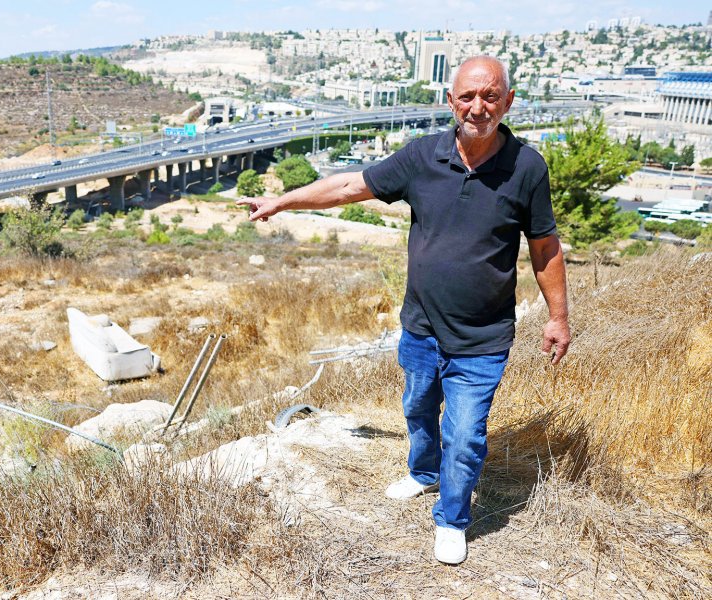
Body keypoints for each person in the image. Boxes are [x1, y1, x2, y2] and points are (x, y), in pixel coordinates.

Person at [237, 55, 570, 565]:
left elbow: (543, 245)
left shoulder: (527, 167)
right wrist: (284, 202)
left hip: (482, 339)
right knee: (417, 407)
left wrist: (558, 316)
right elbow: (351, 186)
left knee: (463, 435)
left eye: (490, 97)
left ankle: (452, 518)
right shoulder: (422, 157)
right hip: (420, 328)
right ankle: (423, 471)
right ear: (450, 100)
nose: (478, 108)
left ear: (508, 101)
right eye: (467, 96)